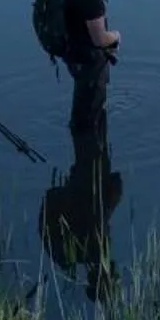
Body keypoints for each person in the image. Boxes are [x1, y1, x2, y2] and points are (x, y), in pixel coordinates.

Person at [39, 110, 124, 301]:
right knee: (91, 125)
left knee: (89, 127)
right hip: (84, 177)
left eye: (114, 274)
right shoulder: (78, 254)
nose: (115, 267)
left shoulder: (86, 252)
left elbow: (113, 192)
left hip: (85, 178)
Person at [61, 0, 119, 131]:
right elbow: (100, 39)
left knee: (82, 111)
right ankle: (90, 155)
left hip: (74, 56)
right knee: (90, 119)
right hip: (88, 63)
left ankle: (83, 150)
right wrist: (116, 36)